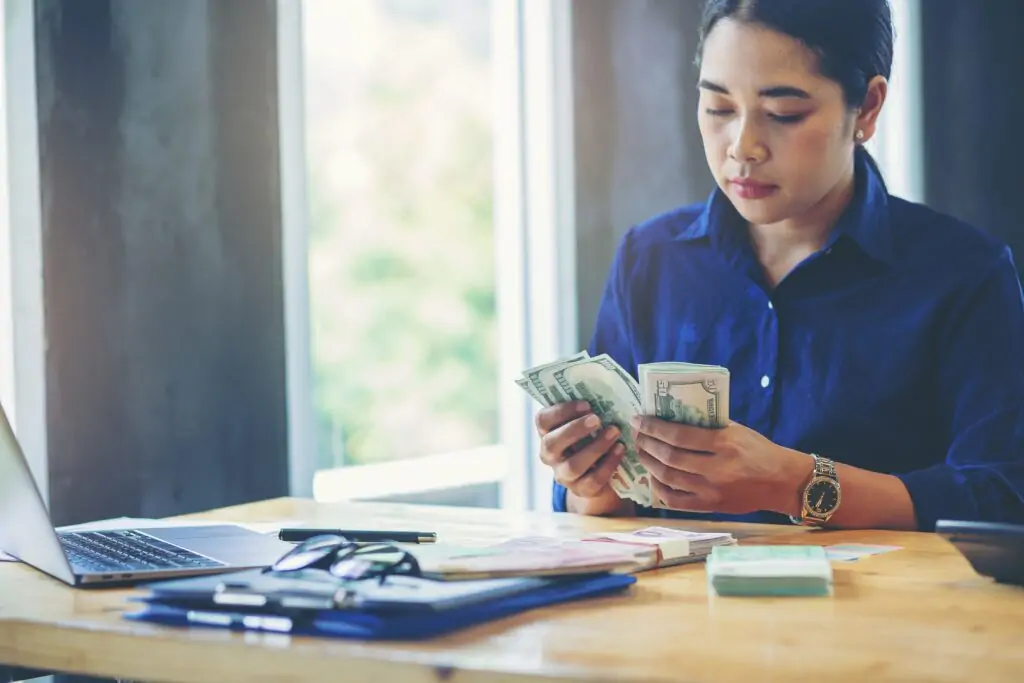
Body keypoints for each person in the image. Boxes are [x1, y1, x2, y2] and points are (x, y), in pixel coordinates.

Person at [537, 0, 1024, 532]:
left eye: (784, 114)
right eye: (719, 108)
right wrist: (590, 484)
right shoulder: (650, 260)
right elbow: (612, 514)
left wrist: (790, 481)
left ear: (866, 107)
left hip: (885, 611)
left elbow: (1000, 498)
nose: (742, 148)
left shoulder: (963, 274)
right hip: (676, 612)